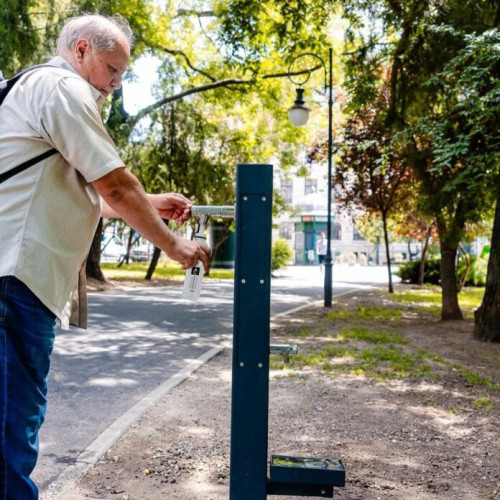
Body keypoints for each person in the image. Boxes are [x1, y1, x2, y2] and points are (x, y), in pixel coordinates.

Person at [0, 14, 210, 499]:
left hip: (11, 276)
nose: (116, 84)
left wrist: (147, 203)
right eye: (112, 69)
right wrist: (174, 245)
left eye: (122, 74)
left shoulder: (31, 89)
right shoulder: (61, 89)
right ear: (80, 51)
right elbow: (114, 181)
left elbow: (70, 193)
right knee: (14, 425)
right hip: (17, 281)